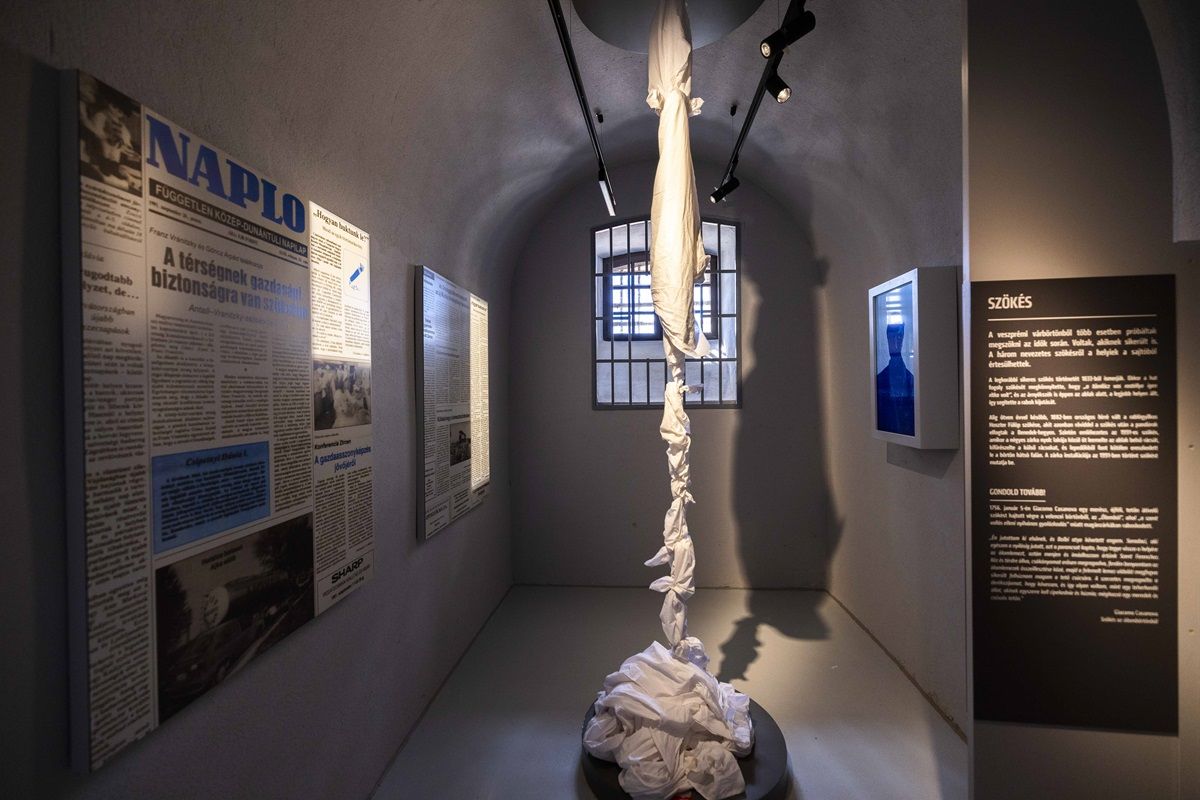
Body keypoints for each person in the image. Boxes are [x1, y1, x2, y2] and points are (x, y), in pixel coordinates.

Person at [876, 322, 915, 435]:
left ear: (903, 340)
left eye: (899, 338)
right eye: (891, 338)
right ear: (887, 340)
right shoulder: (879, 380)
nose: (895, 342)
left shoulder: (911, 380)